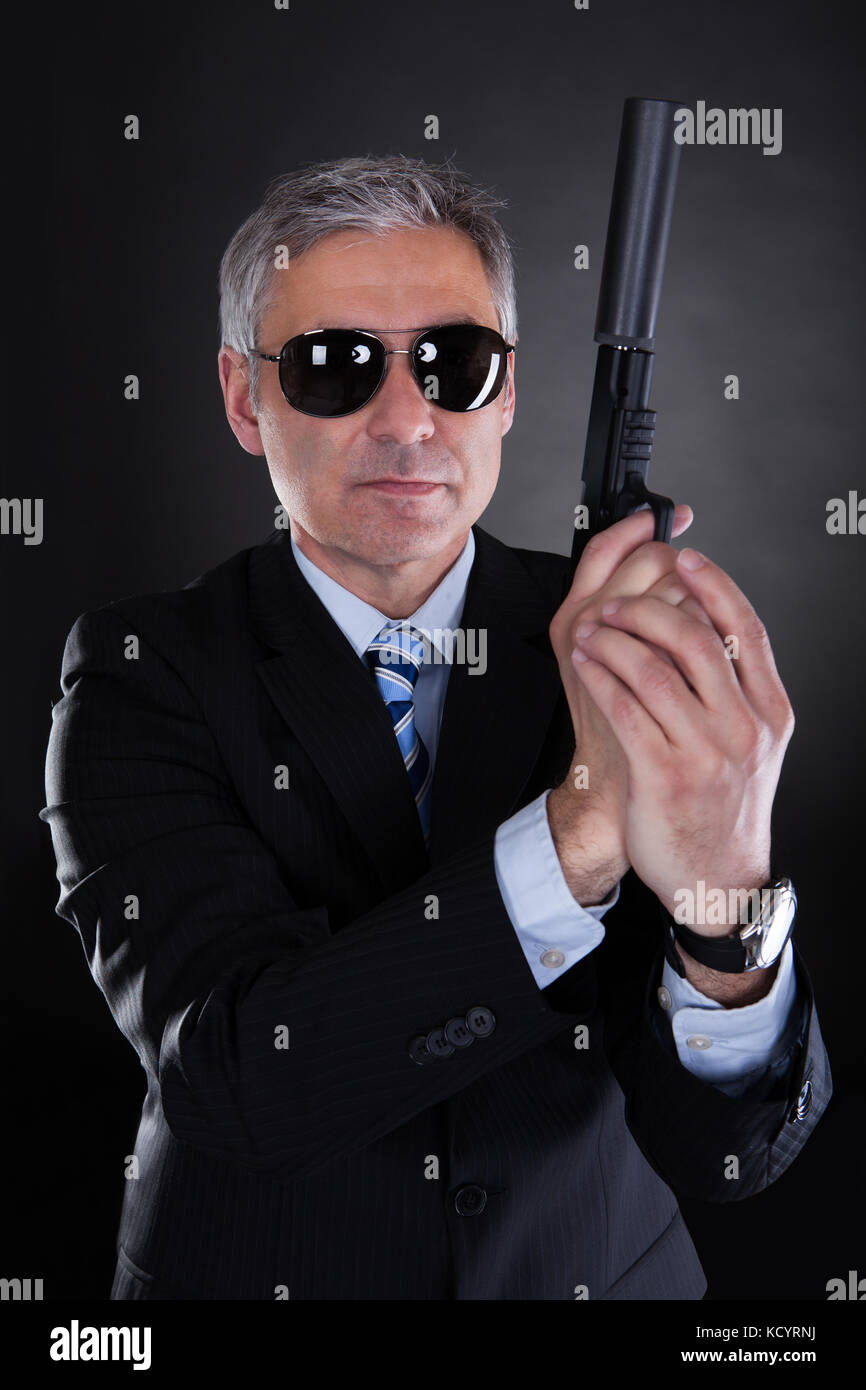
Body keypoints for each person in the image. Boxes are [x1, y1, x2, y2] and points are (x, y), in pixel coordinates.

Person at [40, 155, 830, 1301]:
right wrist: (580, 832)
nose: (407, 419)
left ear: (505, 392)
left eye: (454, 364)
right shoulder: (136, 673)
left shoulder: (619, 649)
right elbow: (235, 1081)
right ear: (240, 397)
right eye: (332, 366)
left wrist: (723, 905)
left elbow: (726, 1152)